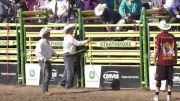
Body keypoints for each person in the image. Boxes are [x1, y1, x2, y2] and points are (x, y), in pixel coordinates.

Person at [60, 24, 91, 89]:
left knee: (67, 70)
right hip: (68, 55)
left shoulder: (67, 37)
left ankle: (62, 83)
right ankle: (68, 85)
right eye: (71, 29)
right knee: (70, 71)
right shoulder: (69, 37)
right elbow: (76, 43)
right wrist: (86, 41)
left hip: (68, 55)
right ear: (68, 30)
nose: (72, 30)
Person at [153, 20, 177, 101]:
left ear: (161, 28)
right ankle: (168, 96)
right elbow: (175, 49)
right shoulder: (172, 36)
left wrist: (154, 58)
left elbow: (156, 49)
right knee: (170, 79)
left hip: (161, 61)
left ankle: (156, 96)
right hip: (170, 60)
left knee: (158, 78)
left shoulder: (158, 36)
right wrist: (175, 58)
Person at [35, 27, 59, 95]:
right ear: (45, 34)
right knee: (47, 74)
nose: (49, 34)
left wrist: (56, 54)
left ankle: (45, 90)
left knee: (48, 75)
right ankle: (45, 91)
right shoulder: (41, 42)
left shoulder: (47, 42)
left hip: (47, 60)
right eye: (48, 33)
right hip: (43, 61)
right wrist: (43, 58)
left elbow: (51, 50)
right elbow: (37, 52)